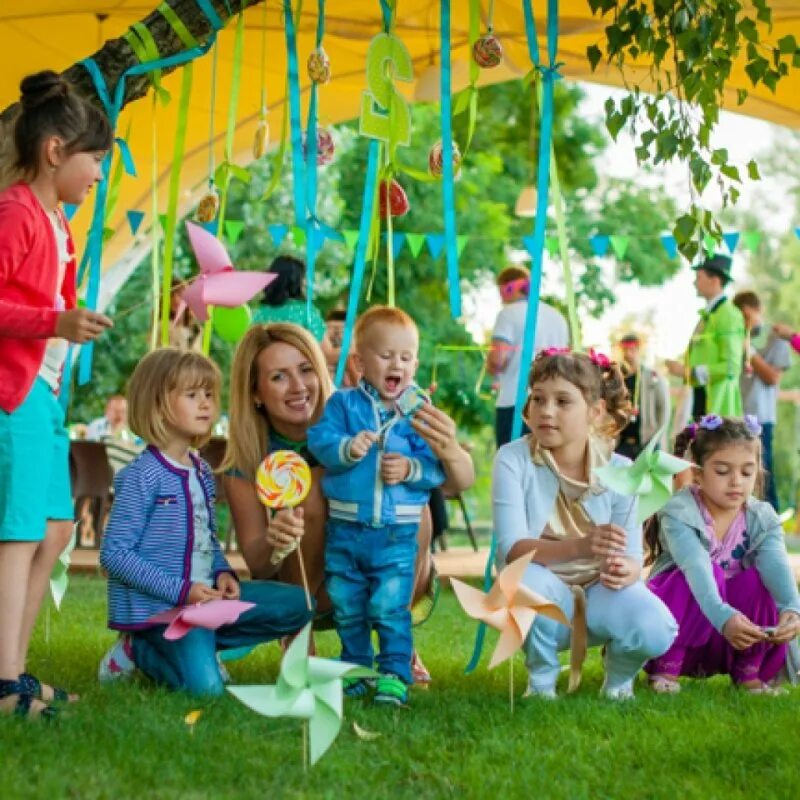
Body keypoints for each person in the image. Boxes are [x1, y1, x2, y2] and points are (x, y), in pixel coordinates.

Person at [221, 323, 475, 684]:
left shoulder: (360, 414)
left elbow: (458, 482)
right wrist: (275, 538)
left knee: (408, 505)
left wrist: (449, 448)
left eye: (306, 369)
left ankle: (397, 649)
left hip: (391, 571)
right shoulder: (244, 462)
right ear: (256, 392)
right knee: (310, 494)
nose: (299, 387)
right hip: (310, 590)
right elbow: (260, 566)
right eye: (279, 377)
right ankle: (298, 648)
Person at [99, 348, 312, 696]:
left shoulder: (200, 470)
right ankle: (137, 650)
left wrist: (222, 572)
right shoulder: (143, 475)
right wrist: (183, 592)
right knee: (208, 692)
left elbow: (207, 541)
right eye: (192, 395)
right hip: (163, 612)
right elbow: (115, 554)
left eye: (210, 395)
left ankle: (202, 646)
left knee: (300, 605)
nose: (206, 405)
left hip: (204, 602)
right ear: (156, 403)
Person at [0, 71, 114, 719]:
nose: (98, 174)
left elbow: (53, 301)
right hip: (11, 399)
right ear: (54, 152)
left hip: (41, 401)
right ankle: (2, 683)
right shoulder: (16, 210)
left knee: (54, 528)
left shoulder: (57, 223)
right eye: (93, 159)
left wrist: (68, 316)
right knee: (16, 535)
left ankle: (14, 672)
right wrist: (55, 322)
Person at [492, 349, 677, 700]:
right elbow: (511, 549)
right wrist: (579, 546)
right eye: (538, 399)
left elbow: (634, 558)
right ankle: (542, 680)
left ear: (594, 412)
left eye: (563, 401)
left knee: (656, 627)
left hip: (599, 595)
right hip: (546, 595)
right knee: (522, 580)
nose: (546, 410)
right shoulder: (513, 459)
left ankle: (619, 680)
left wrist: (627, 569)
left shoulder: (622, 471)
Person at [307, 306, 445, 706]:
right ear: (359, 361)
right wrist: (347, 449)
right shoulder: (343, 406)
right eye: (385, 355)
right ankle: (355, 666)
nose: (396, 364)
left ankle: (394, 671)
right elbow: (319, 441)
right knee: (348, 603)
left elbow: (437, 469)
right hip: (346, 529)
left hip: (396, 534)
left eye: (405, 357)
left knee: (389, 606)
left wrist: (410, 467)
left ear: (415, 363)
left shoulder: (419, 412)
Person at [644, 416, 800, 694]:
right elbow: (696, 568)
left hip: (732, 636)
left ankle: (747, 673)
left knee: (759, 580)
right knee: (707, 572)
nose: (736, 482)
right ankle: (665, 670)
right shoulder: (679, 512)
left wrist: (791, 610)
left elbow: (777, 567)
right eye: (723, 471)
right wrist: (724, 617)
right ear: (699, 473)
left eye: (747, 472)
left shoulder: (761, 517)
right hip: (676, 632)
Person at [486, 266, 569, 448]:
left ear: (508, 288)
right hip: (554, 405)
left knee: (512, 464)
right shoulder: (558, 317)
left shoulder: (508, 314)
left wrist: (490, 366)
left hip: (515, 404)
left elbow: (498, 359)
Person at [666, 254, 745, 419]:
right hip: (702, 400)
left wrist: (688, 372)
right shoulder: (709, 314)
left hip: (719, 406)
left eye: (699, 277)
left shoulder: (728, 314)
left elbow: (731, 366)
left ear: (714, 280)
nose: (694, 282)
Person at [732, 291, 791, 510]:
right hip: (737, 416)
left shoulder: (774, 337)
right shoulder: (735, 336)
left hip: (761, 417)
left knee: (763, 473)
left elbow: (773, 377)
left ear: (750, 311)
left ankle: (771, 525)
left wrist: (751, 352)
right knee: (740, 474)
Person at [616, 332, 670, 458]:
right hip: (623, 442)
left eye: (632, 350)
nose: (628, 354)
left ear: (638, 350)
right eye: (625, 350)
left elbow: (664, 409)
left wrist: (656, 438)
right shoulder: (618, 377)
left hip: (647, 441)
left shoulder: (652, 376)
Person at [252, 254, 326, 341]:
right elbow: (319, 346)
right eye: (304, 277)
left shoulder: (259, 315)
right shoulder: (307, 313)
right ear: (297, 281)